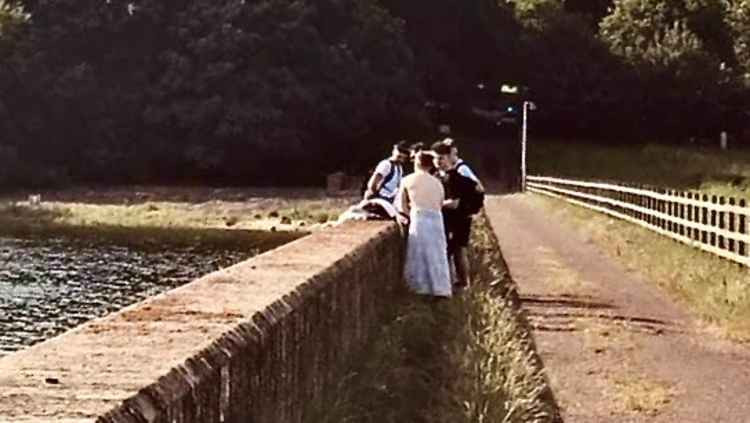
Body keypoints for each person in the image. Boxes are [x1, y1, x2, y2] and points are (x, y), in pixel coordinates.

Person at [400, 151, 452, 298]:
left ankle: (419, 287)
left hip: (419, 216)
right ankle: (440, 288)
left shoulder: (408, 180)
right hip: (436, 218)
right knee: (437, 253)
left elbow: (402, 205)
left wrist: (406, 215)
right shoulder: (437, 183)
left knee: (418, 253)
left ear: (417, 162)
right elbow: (441, 202)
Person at [433, 142, 478, 289]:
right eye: (435, 158)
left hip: (458, 219)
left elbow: (454, 203)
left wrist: (434, 204)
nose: (438, 162)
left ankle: (462, 284)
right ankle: (453, 283)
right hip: (451, 218)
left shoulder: (454, 178)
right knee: (452, 251)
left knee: (457, 251)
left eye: (441, 158)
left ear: (448, 158)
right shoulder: (440, 176)